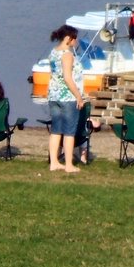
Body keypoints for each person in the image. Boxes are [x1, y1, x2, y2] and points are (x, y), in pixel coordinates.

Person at [46, 24, 85, 173]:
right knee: (69, 131)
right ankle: (68, 164)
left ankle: (54, 162)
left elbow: (54, 74)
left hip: (53, 95)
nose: (76, 41)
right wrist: (79, 97)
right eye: (74, 38)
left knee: (56, 130)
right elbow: (68, 78)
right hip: (67, 97)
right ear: (68, 38)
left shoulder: (53, 52)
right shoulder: (67, 55)